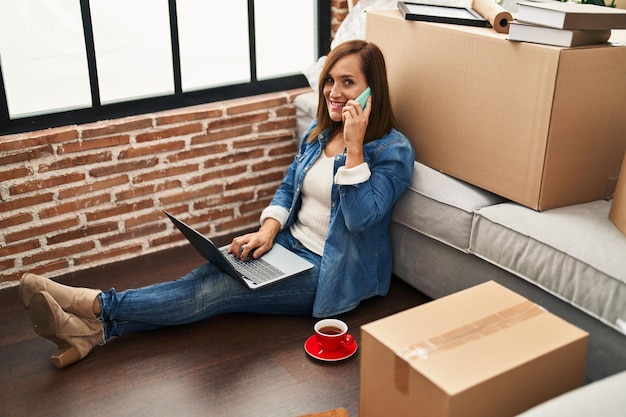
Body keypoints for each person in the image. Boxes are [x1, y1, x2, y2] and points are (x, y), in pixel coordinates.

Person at [19, 39, 415, 368]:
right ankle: (93, 333)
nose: (333, 91)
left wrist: (355, 146)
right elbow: (287, 188)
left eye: (348, 82)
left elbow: (363, 220)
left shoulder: (392, 151)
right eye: (329, 79)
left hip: (333, 270)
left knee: (218, 292)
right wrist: (268, 230)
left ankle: (91, 306)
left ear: (371, 90)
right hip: (288, 246)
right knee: (205, 276)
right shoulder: (317, 132)